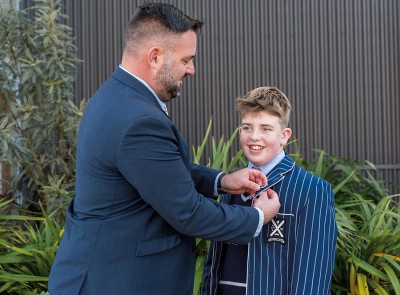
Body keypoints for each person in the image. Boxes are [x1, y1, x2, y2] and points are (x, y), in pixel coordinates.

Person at [48, 3, 281, 295]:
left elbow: (155, 172)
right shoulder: (139, 120)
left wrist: (220, 181)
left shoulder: (115, 96)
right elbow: (188, 213)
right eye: (186, 60)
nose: (192, 70)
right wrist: (257, 217)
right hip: (120, 281)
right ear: (155, 56)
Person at [201, 87, 338, 295]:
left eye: (266, 129)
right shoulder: (231, 185)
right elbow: (215, 263)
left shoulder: (312, 190)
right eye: (247, 128)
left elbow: (313, 278)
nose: (255, 137)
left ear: (284, 136)